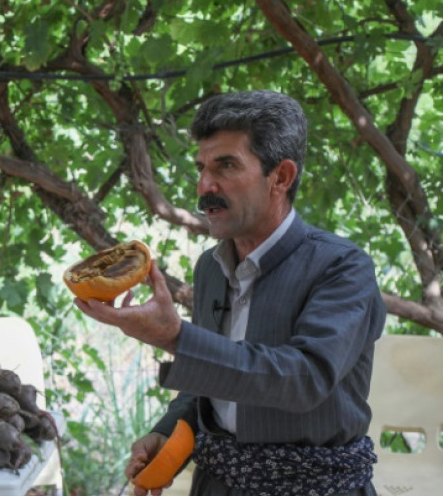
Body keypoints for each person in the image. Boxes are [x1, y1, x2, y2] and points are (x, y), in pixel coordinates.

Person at [74, 90, 386, 496]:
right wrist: (166, 433)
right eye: (201, 167)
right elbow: (211, 383)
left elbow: (304, 379)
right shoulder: (210, 268)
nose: (205, 186)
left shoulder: (342, 267)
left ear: (281, 177)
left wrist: (175, 337)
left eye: (226, 166)